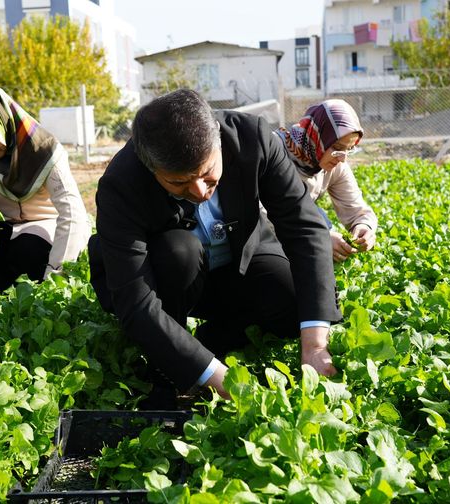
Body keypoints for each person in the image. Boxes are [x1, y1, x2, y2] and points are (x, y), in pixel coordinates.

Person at [89, 89, 341, 404]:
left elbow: (303, 226)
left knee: (292, 299)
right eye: (178, 183)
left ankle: (213, 339)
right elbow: (136, 302)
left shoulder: (253, 138)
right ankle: (169, 369)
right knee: (178, 251)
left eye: (207, 174)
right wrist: (216, 378)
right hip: (169, 276)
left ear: (218, 143)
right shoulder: (121, 183)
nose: (199, 191)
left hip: (236, 262)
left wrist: (315, 346)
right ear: (151, 169)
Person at [0, 84, 91, 290]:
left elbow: (72, 214)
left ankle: (9, 278)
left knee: (27, 250)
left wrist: (57, 274)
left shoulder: (46, 150)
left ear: (2, 123)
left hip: (44, 225)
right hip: (4, 225)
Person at [275, 99, 378, 262]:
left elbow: (357, 210)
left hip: (292, 222)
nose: (343, 158)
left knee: (318, 221)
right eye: (337, 147)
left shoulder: (336, 164)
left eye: (349, 149)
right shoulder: (274, 153)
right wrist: (317, 238)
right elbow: (259, 213)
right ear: (317, 136)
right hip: (256, 228)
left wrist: (364, 226)